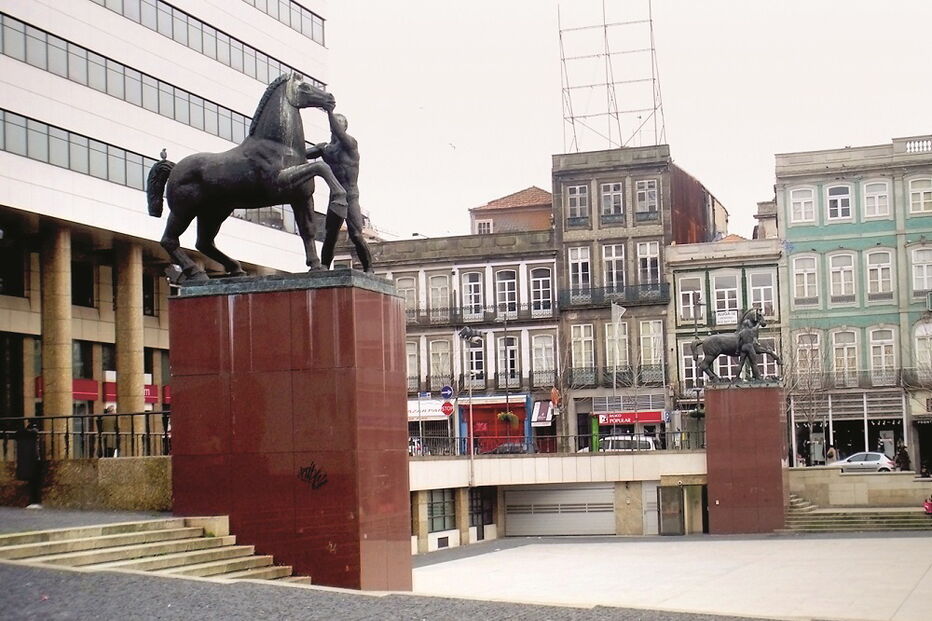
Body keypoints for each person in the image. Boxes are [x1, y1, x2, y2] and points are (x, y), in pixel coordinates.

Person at [306, 106, 373, 273]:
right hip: (335, 196)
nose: (336, 124)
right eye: (336, 121)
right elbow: (301, 153)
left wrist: (329, 112)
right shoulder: (325, 149)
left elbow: (339, 134)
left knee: (356, 235)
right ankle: (324, 267)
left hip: (351, 195)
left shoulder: (350, 144)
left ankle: (369, 268)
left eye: (339, 122)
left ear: (344, 126)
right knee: (330, 235)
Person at [14, 421, 42, 508]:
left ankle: (32, 500)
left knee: (31, 482)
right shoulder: (33, 437)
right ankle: (34, 501)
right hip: (33, 462)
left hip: (27, 463)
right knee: (35, 482)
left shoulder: (23, 437)